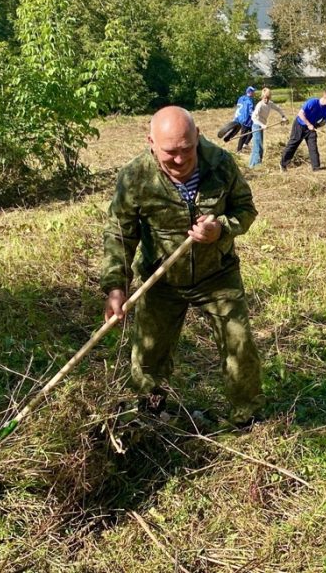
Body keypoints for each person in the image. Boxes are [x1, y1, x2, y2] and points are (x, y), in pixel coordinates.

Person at [100, 106, 264, 426]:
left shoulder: (220, 164)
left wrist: (221, 229)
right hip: (160, 280)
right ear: (150, 142)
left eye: (186, 149)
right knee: (148, 355)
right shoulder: (135, 177)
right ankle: (150, 413)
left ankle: (247, 417)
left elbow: (245, 209)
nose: (179, 159)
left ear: (197, 136)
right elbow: (120, 234)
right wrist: (116, 286)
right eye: (170, 152)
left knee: (240, 345)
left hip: (217, 274)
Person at [279, 89, 326, 172]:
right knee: (293, 144)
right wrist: (308, 124)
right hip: (300, 125)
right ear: (325, 97)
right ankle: (283, 164)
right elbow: (300, 114)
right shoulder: (312, 102)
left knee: (313, 146)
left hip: (311, 128)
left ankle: (316, 167)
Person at [248, 87, 288, 168]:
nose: (266, 100)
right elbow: (253, 117)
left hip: (261, 126)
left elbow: (278, 109)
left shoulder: (270, 103)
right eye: (265, 98)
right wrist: (262, 125)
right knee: (258, 147)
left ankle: (251, 165)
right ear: (262, 97)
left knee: (257, 146)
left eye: (268, 98)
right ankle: (257, 166)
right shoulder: (259, 105)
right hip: (256, 126)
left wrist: (283, 117)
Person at [216, 86, 256, 153]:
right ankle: (239, 150)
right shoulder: (250, 101)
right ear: (250, 92)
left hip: (238, 117)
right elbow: (250, 112)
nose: (254, 93)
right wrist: (256, 117)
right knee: (244, 135)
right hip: (246, 120)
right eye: (253, 92)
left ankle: (244, 144)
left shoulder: (241, 98)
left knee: (252, 131)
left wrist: (236, 116)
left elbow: (238, 106)